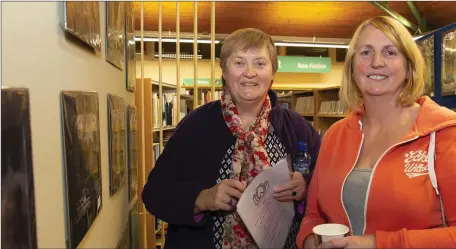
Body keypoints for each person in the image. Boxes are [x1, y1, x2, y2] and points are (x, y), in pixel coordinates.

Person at [142, 28, 321, 249]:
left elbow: (326, 184)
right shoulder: (195, 126)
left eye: (260, 63)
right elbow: (154, 193)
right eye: (239, 63)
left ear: (273, 72)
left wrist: (305, 188)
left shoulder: (296, 127)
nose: (249, 72)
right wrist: (202, 199)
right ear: (224, 72)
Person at [297, 16, 456, 249]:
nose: (377, 62)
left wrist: (376, 243)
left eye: (390, 52)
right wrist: (311, 241)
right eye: (366, 52)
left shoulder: (445, 133)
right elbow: (313, 215)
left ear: (409, 65)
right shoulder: (335, 135)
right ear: (352, 66)